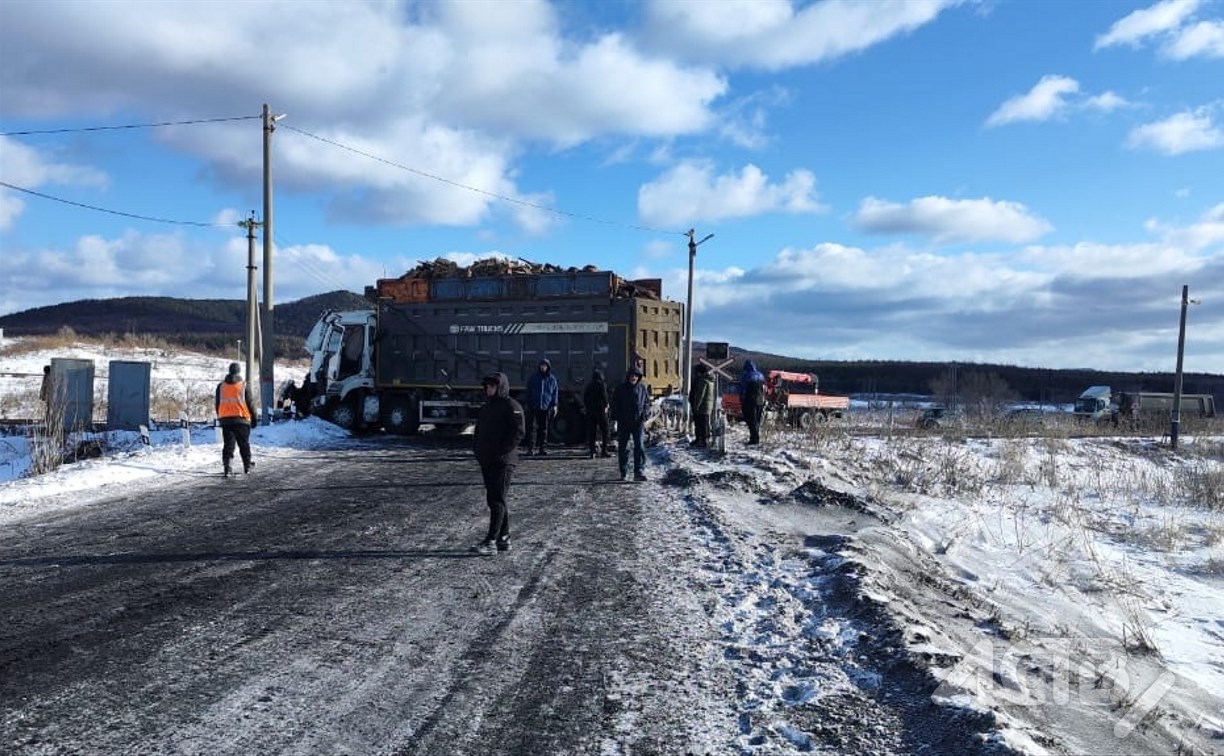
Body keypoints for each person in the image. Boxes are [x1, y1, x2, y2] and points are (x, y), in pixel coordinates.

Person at [472, 372, 525, 555]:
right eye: (487, 386)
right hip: (487, 459)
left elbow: (518, 432)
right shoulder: (487, 407)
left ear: (500, 386)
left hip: (503, 461)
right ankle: (504, 537)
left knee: (496, 500)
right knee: (496, 498)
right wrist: (477, 450)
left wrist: (502, 450)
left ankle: (491, 541)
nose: (488, 389)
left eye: (492, 386)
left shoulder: (512, 406)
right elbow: (478, 430)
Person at [215, 362, 256, 477]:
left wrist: (220, 416)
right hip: (242, 419)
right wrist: (254, 418)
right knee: (244, 444)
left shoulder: (221, 386)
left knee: (228, 444)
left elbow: (217, 404)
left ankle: (227, 467)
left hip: (226, 420)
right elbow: (250, 404)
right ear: (238, 372)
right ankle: (247, 466)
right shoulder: (243, 386)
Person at [611, 366, 650, 482]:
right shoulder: (620, 388)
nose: (634, 378)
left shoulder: (642, 389)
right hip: (624, 423)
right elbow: (614, 403)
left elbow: (647, 403)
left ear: (639, 378)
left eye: (636, 376)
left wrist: (645, 415)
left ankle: (639, 471)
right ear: (628, 376)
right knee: (623, 448)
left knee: (639, 446)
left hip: (638, 422)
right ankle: (624, 472)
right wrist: (616, 417)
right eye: (632, 375)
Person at [522, 358, 558, 455]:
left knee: (543, 429)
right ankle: (531, 449)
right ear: (539, 367)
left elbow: (555, 393)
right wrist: (527, 403)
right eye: (541, 365)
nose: (543, 367)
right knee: (532, 428)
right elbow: (528, 391)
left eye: (545, 366)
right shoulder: (533, 377)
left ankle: (542, 449)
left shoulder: (552, 379)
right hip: (534, 406)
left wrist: (554, 405)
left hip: (545, 407)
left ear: (548, 367)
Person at [583, 368, 611, 459]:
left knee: (592, 432)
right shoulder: (602, 385)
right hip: (601, 411)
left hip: (591, 412)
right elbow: (604, 396)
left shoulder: (589, 386)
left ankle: (592, 451)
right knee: (605, 431)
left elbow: (585, 398)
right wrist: (606, 405)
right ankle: (604, 451)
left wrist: (588, 408)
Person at [740, 359, 766, 445]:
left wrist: (742, 400)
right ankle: (755, 438)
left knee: (751, 419)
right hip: (760, 400)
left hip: (750, 400)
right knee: (757, 420)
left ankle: (754, 439)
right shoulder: (761, 375)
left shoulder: (746, 375)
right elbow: (764, 388)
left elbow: (743, 389)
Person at [689, 363, 715, 448]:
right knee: (703, 423)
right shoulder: (709, 380)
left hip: (702, 406)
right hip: (706, 405)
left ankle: (702, 441)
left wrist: (696, 405)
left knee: (701, 424)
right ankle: (702, 439)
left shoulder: (703, 381)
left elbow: (700, 395)